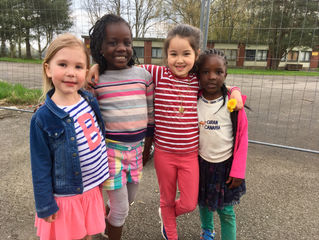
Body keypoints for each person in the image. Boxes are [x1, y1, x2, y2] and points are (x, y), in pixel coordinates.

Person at [88, 24, 242, 240]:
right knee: (166, 198)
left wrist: (235, 91)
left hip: (190, 156)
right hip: (164, 154)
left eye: (186, 54)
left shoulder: (197, 80)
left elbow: (220, 81)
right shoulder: (157, 74)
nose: (179, 60)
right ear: (166, 55)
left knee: (188, 203)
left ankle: (166, 214)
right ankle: (170, 231)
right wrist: (97, 66)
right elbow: (124, 66)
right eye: (173, 54)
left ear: (196, 55)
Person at [30, 33, 109, 240]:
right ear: (48, 69)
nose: (71, 73)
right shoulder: (42, 118)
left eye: (78, 67)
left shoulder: (88, 100)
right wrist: (45, 204)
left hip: (91, 189)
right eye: (63, 64)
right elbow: (40, 166)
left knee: (86, 234)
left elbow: (99, 134)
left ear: (86, 70)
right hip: (67, 198)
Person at [88, 14, 154, 240]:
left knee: (130, 197)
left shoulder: (144, 76)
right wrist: (93, 68)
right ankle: (112, 230)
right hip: (110, 152)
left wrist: (148, 146)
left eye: (127, 42)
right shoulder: (96, 80)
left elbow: (151, 114)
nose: (122, 48)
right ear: (100, 47)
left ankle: (104, 222)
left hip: (137, 151)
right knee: (122, 208)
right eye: (113, 42)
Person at [196, 48, 248, 240]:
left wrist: (238, 172)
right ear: (198, 74)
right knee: (203, 203)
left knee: (226, 212)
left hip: (226, 168)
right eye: (205, 72)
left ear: (226, 74)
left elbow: (242, 140)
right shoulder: (194, 100)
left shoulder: (233, 104)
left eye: (218, 72)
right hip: (201, 165)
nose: (212, 77)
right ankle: (207, 231)